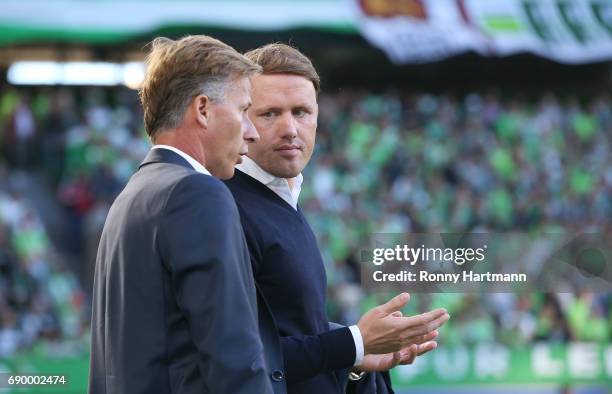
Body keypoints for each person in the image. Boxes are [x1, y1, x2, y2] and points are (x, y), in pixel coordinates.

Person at [224, 43, 450, 394]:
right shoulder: (225, 207)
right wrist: (354, 342)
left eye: (301, 112)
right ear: (242, 118)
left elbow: (295, 343)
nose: (289, 128)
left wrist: (356, 361)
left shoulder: (284, 200)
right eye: (270, 113)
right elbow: (239, 358)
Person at [89, 35, 284, 394]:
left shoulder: (131, 196)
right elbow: (234, 356)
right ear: (203, 109)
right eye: (244, 111)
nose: (253, 132)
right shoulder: (199, 194)